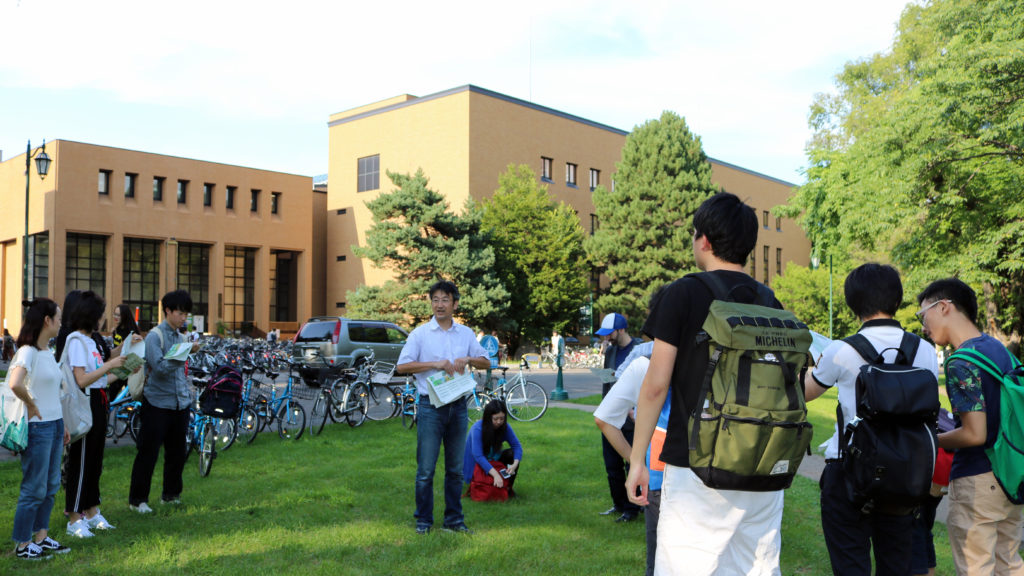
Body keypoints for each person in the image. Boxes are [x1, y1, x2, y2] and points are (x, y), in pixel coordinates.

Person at [626, 192, 784, 575]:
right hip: (762, 462)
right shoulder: (769, 300)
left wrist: (637, 460)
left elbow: (655, 385)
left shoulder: (684, 292)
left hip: (696, 463)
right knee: (753, 568)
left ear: (705, 240)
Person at [803, 263, 940, 575]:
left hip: (850, 471)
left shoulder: (841, 350)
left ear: (854, 304)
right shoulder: (925, 351)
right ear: (897, 300)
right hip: (906, 472)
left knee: (850, 565)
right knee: (896, 564)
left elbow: (806, 392)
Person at [917, 278, 1024, 576]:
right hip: (1011, 475)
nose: (923, 326)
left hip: (978, 481)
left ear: (944, 307)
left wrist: (932, 440)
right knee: (1010, 564)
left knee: (975, 568)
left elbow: (974, 433)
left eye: (923, 315)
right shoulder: (998, 349)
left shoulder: (961, 361)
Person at [397, 280, 490, 535]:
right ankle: (424, 521)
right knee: (426, 469)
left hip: (458, 407)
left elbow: (486, 362)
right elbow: (402, 366)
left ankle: (454, 520)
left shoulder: (466, 334)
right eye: (435, 299)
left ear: (455, 303)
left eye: (445, 299)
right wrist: (434, 364)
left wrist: (469, 358)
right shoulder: (420, 334)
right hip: (430, 407)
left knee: (455, 470)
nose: (439, 304)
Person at [9, 299, 70, 559]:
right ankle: (22, 544)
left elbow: (53, 393)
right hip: (38, 428)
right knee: (34, 487)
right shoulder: (28, 351)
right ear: (47, 320)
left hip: (54, 425)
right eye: (58, 317)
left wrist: (63, 424)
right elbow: (14, 383)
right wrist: (32, 406)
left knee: (51, 484)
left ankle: (41, 537)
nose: (60, 322)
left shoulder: (47, 352)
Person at [129, 290, 199, 513]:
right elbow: (159, 368)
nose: (183, 318)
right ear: (167, 311)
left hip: (180, 403)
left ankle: (171, 495)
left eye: (186, 314)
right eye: (180, 313)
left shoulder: (180, 337)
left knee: (177, 453)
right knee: (148, 453)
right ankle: (138, 500)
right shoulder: (154, 337)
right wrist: (183, 355)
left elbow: (179, 373)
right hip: (157, 403)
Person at [62, 291, 126, 538]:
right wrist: (110, 366)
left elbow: (99, 379)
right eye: (100, 314)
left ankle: (92, 510)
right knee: (81, 461)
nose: (103, 319)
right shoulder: (77, 341)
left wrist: (123, 370)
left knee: (95, 461)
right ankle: (74, 516)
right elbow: (81, 380)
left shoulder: (92, 341)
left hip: (98, 402)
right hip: (85, 404)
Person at [596, 312, 642, 523]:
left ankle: (633, 508)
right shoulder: (611, 351)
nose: (606, 338)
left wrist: (636, 409)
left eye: (609, 333)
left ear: (621, 329)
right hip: (613, 416)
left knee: (631, 462)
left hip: (632, 417)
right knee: (611, 464)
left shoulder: (640, 350)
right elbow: (608, 384)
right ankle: (618, 504)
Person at [463, 399, 523, 495]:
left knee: (512, 454)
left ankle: (507, 488)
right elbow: (478, 456)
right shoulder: (477, 428)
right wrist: (495, 474)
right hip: (477, 465)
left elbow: (517, 446)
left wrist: (514, 464)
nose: (499, 422)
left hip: (493, 460)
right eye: (495, 419)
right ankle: (486, 484)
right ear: (488, 417)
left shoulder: (505, 427)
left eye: (502, 418)